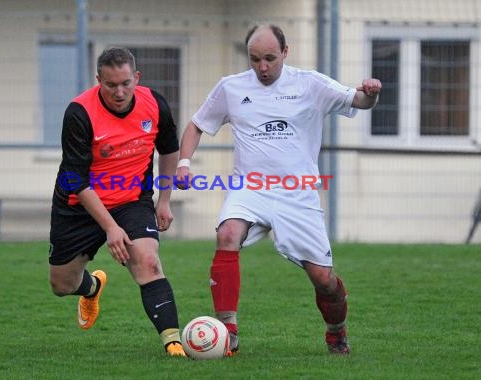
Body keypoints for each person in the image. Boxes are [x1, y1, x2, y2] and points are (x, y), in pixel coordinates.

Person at [176, 24, 382, 355]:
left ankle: (336, 331)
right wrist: (184, 163)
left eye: (270, 59)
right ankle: (228, 333)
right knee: (227, 234)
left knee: (323, 279)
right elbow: (197, 125)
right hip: (250, 188)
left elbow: (357, 99)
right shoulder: (231, 87)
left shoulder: (310, 83)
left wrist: (370, 93)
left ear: (285, 53)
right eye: (255, 59)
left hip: (297, 193)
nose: (262, 67)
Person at [49, 46, 185, 357]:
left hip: (132, 200)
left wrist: (164, 200)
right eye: (111, 85)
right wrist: (110, 228)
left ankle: (173, 344)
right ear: (99, 80)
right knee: (62, 285)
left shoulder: (154, 104)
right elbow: (76, 180)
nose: (119, 92)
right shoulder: (79, 113)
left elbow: (169, 151)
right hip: (78, 205)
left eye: (125, 83)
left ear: (136, 77)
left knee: (148, 261)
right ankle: (92, 287)